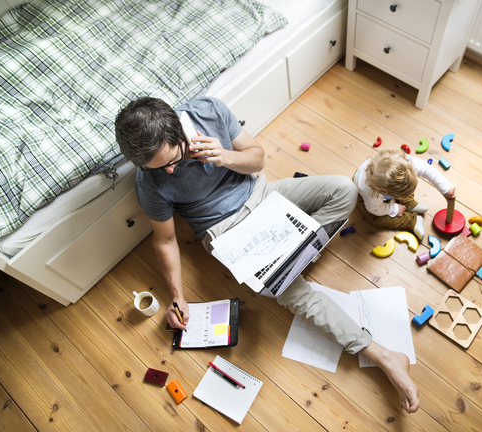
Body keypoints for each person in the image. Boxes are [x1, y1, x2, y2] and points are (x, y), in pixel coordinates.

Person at [114, 96, 419, 413]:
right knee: (288, 289)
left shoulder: (207, 111)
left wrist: (225, 157)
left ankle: (287, 260)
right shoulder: (149, 181)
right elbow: (165, 240)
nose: (170, 169)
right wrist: (177, 295)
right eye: (160, 168)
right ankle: (381, 354)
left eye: (172, 159)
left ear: (178, 129)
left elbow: (257, 159)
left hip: (263, 194)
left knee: (344, 189)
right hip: (226, 232)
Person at [353, 148, 456, 240]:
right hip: (367, 198)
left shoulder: (405, 163)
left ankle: (409, 203)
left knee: (407, 185)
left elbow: (426, 168)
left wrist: (445, 188)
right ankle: (410, 221)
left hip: (388, 188)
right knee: (373, 218)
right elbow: (375, 209)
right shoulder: (371, 194)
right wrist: (394, 209)